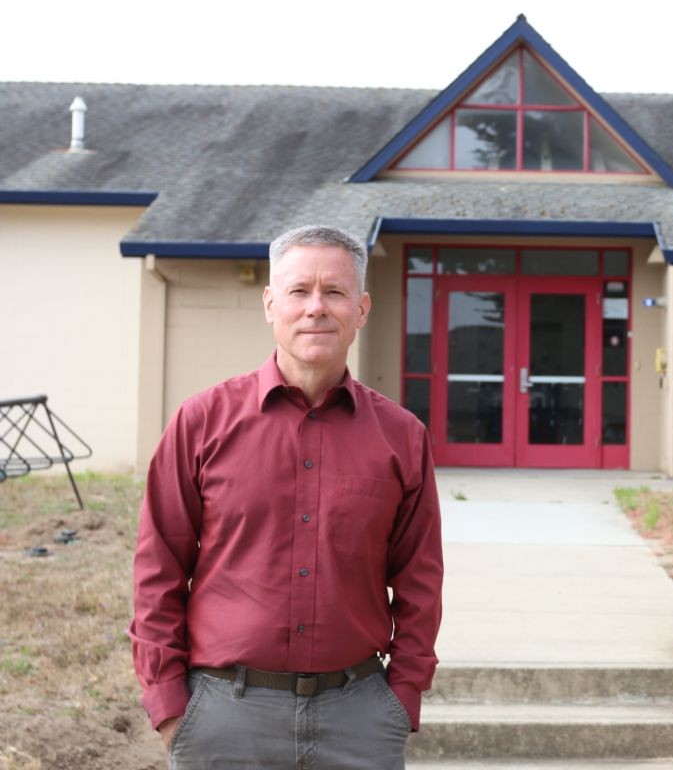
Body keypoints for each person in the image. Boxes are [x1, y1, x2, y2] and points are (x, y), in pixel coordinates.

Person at [129, 225, 442, 769]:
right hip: (222, 721)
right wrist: (170, 706)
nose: (316, 308)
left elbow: (420, 579)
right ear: (270, 305)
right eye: (299, 291)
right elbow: (157, 567)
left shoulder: (402, 436)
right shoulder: (201, 423)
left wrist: (402, 697)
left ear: (362, 309)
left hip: (359, 721)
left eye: (335, 292)